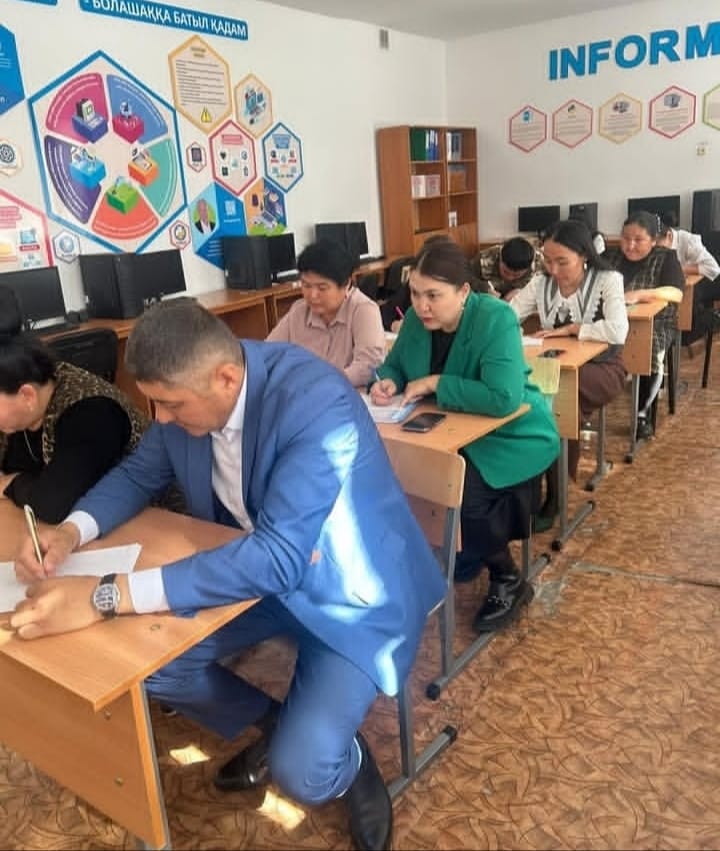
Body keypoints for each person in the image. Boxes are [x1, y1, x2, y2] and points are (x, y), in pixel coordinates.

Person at [11, 298, 447, 851]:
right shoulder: (188, 391)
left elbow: (279, 558)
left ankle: (349, 761)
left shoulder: (315, 402)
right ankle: (277, 724)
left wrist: (106, 595)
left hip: (346, 594)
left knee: (304, 776)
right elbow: (140, 474)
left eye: (171, 405)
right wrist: (71, 532)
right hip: (252, 576)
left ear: (225, 378)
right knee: (156, 670)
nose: (161, 419)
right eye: (155, 403)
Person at [369, 240, 559, 633]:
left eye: (433, 296)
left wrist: (437, 383)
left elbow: (503, 398)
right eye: (415, 294)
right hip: (450, 431)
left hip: (509, 435)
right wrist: (387, 382)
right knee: (406, 480)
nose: (422, 306)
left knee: (458, 494)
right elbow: (395, 365)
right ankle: (463, 551)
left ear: (464, 292)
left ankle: (507, 576)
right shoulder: (418, 321)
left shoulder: (495, 318)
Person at [511, 220, 629, 530]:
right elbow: (508, 315)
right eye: (547, 260)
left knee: (553, 399)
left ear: (584, 255)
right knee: (540, 397)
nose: (553, 269)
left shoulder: (607, 280)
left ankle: (555, 493)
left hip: (603, 368)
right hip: (554, 367)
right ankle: (540, 485)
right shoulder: (541, 283)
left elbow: (618, 330)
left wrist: (574, 329)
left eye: (562, 262)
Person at [0, 286, 148, 524]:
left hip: (153, 522)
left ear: (27, 395)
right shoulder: (16, 405)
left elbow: (52, 504)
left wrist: (11, 484)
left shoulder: (92, 413)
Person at [604, 211, 685, 440]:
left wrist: (640, 294)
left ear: (653, 240)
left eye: (638, 240)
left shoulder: (666, 257)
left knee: (650, 350)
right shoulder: (611, 257)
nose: (630, 245)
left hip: (657, 323)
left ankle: (642, 413)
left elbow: (676, 292)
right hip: (614, 319)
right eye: (625, 238)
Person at [267, 239, 385, 387]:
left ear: (346, 284)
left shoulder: (363, 310)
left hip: (346, 393)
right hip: (303, 392)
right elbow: (267, 353)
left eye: (322, 288)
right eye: (306, 285)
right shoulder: (299, 311)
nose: (312, 295)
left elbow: (368, 367)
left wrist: (322, 383)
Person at [469, 236, 542, 300]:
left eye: (516, 275)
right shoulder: (484, 259)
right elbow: (466, 278)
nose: (510, 278)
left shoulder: (540, 263)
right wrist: (484, 289)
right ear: (500, 258)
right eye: (505, 272)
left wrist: (523, 292)